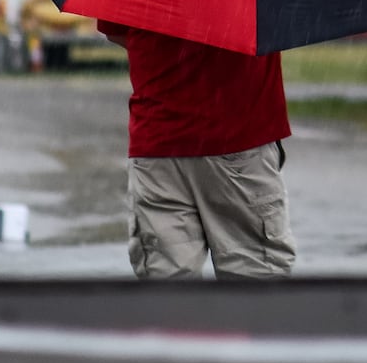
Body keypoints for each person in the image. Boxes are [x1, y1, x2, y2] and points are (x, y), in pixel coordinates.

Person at [97, 19, 296, 279]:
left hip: (158, 146)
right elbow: (282, 23)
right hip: (240, 135)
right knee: (254, 282)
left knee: (168, 289)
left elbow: (118, 32)